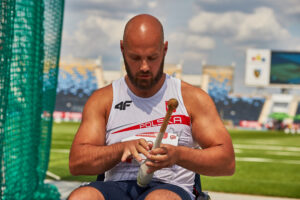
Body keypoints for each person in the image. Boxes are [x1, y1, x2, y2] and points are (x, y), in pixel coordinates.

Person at [68, 14, 235, 200]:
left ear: (165, 50)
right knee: (82, 196)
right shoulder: (103, 99)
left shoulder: (192, 98)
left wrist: (177, 155)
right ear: (122, 49)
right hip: (117, 187)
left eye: (152, 57)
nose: (145, 67)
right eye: (135, 58)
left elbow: (226, 162)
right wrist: (120, 149)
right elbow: (77, 163)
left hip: (171, 188)